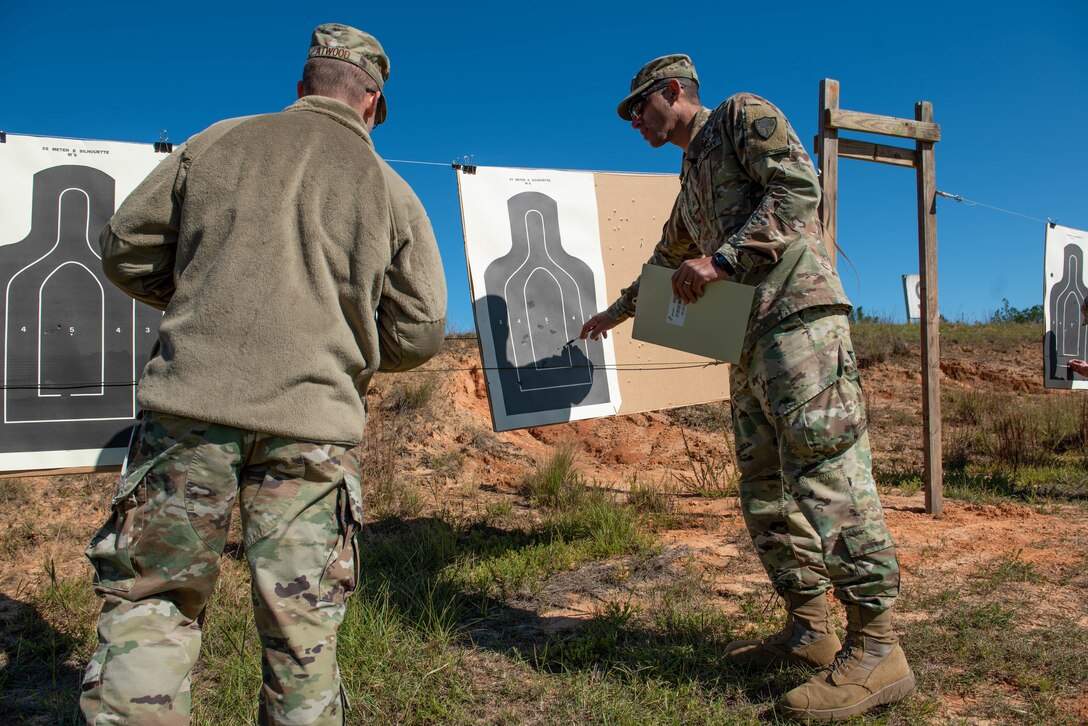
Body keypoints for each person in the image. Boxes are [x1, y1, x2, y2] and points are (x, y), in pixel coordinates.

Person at [80, 23, 446, 725]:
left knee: (152, 605)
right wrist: (350, 344)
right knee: (301, 635)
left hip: (190, 411)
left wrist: (199, 294)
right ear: (371, 103)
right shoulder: (389, 187)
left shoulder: (215, 141)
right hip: (313, 430)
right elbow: (423, 328)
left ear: (302, 88)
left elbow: (124, 248)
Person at [580, 55, 913, 720]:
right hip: (748, 342)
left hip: (799, 326)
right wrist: (613, 314)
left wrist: (723, 259)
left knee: (828, 474)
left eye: (640, 108)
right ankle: (811, 630)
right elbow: (665, 263)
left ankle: (878, 650)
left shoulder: (740, 116)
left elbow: (796, 190)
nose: (636, 122)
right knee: (763, 490)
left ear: (673, 93)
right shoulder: (691, 178)